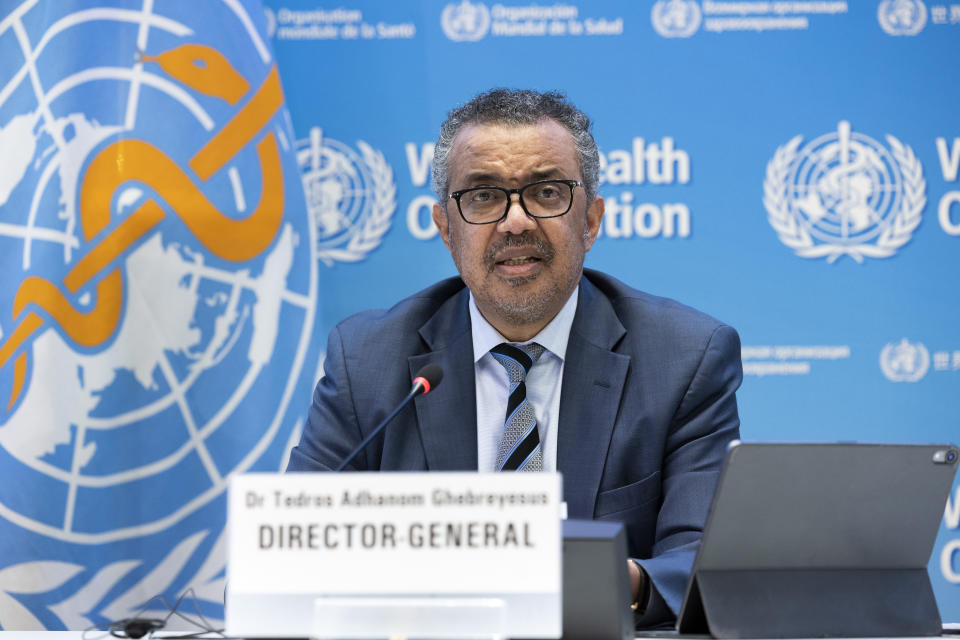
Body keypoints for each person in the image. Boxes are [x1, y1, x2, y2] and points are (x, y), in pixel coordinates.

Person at [287, 88, 742, 626]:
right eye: (482, 197)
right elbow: (289, 562)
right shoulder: (366, 361)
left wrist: (620, 582)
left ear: (591, 221)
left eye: (546, 192)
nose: (516, 221)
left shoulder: (685, 358)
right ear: (445, 230)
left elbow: (701, 567)